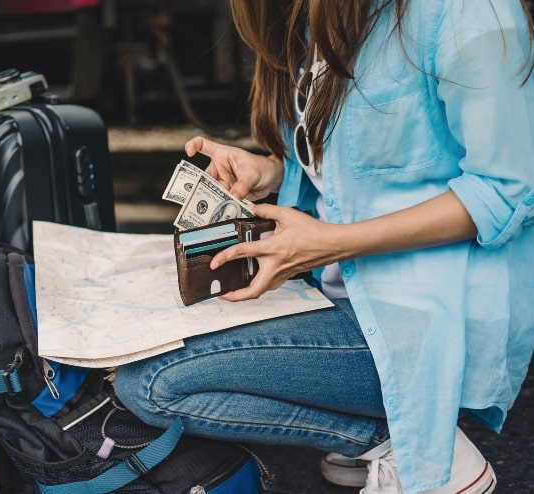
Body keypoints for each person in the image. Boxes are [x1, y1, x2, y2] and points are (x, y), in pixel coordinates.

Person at [113, 0, 534, 492]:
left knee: (152, 383)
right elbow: (351, 170)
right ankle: (386, 438)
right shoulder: (323, 16)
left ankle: (429, 455)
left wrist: (332, 244)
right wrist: (270, 171)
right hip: (344, 291)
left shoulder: (468, 12)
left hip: (429, 322)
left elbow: (509, 190)